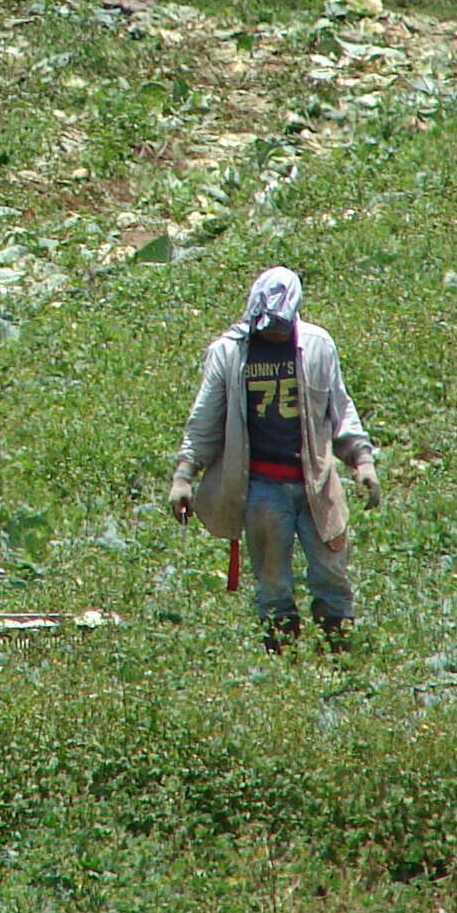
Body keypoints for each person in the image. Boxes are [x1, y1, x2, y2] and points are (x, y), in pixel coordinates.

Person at [167, 266, 380, 648]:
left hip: (316, 482)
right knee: (272, 582)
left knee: (332, 575)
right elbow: (205, 420)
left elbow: (339, 408)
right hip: (261, 487)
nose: (277, 331)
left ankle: (340, 659)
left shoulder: (317, 345)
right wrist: (184, 475)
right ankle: (283, 660)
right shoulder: (229, 353)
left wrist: (361, 460)